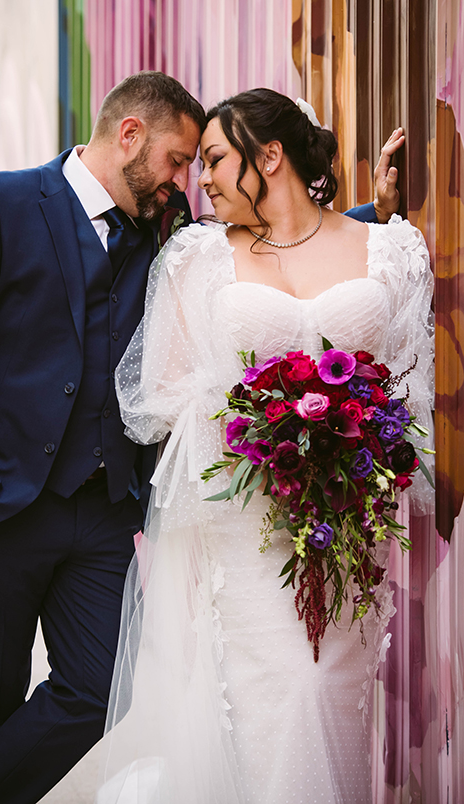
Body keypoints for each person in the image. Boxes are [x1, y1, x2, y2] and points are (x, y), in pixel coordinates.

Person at [0, 69, 399, 804]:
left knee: (99, 689)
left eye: (195, 165)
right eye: (176, 160)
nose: (182, 180)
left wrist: (370, 218)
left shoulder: (167, 224)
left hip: (100, 510)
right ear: (130, 135)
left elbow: (277, 248)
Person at [96, 90, 434, 803]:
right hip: (246, 530)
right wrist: (258, 420)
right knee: (275, 694)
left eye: (215, 158)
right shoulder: (197, 258)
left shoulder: (387, 246)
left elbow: (413, 389)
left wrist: (352, 437)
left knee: (330, 694)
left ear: (270, 155)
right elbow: (157, 398)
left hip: (347, 521)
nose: (203, 179)